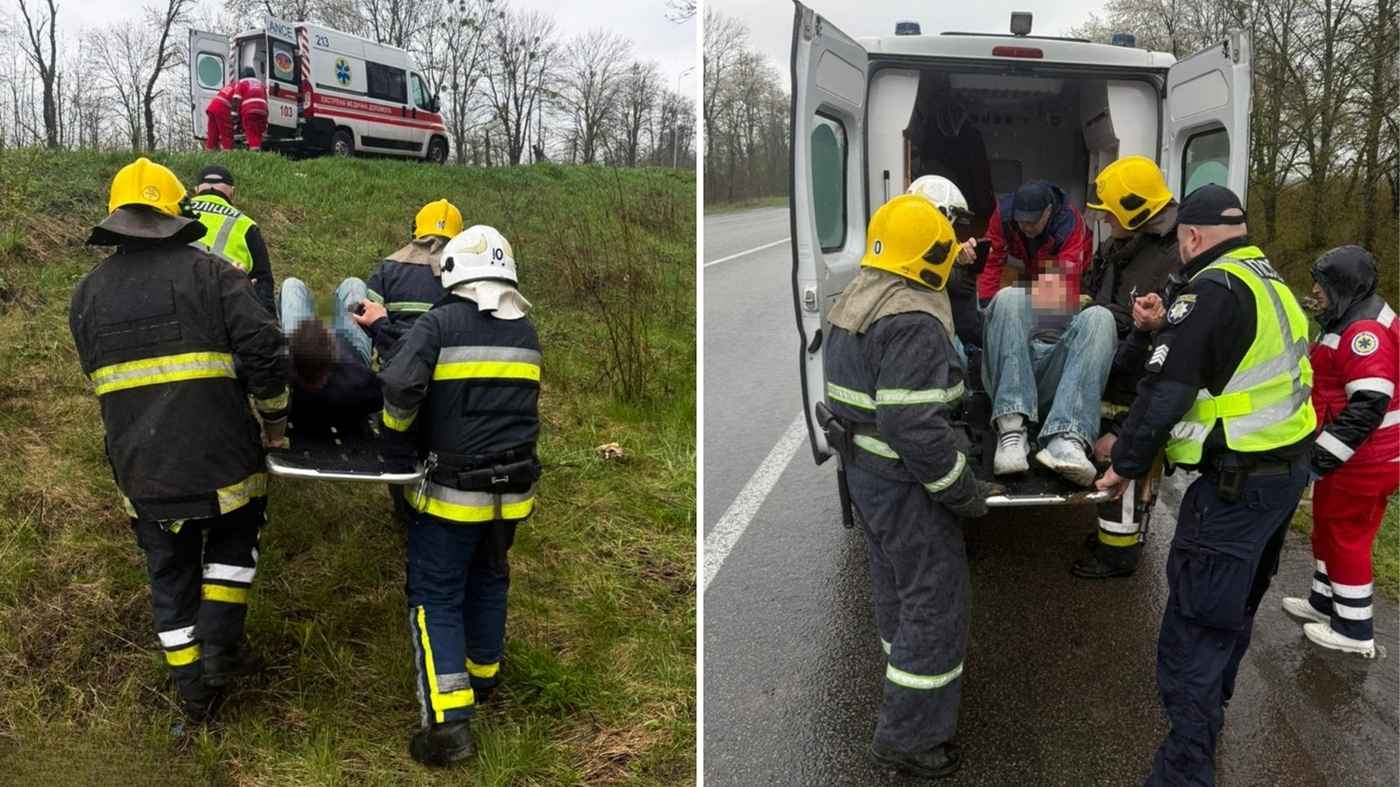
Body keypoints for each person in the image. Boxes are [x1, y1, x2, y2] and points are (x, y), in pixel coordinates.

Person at [1095, 184, 1315, 784]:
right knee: (1231, 614)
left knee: (1193, 631)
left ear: (1191, 236)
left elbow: (1164, 393)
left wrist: (1125, 462)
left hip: (1235, 488)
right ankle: (1209, 715)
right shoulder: (1271, 281)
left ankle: (1184, 770)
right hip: (1281, 478)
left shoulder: (1210, 290)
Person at [68, 158, 289, 728]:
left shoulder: (85, 295)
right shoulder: (214, 274)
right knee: (236, 536)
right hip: (223, 461)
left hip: (141, 470)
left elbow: (98, 375)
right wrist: (275, 423)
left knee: (169, 574)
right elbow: (265, 352)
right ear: (175, 213)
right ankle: (219, 648)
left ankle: (194, 698)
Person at [819, 194, 997, 780]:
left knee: (895, 588)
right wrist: (961, 489)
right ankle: (910, 737)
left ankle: (907, 680)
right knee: (936, 600)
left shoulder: (856, 299)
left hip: (865, 477)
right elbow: (913, 428)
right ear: (932, 255)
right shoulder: (914, 319)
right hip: (904, 484)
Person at [377, 225, 541, 767]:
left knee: (435, 594)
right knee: (490, 575)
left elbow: (400, 385)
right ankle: (483, 675)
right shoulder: (526, 332)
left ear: (453, 272)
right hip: (512, 495)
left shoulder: (439, 323)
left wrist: (395, 440)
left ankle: (448, 723)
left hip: (452, 494)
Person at [1280, 245, 1398, 657]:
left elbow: (1368, 404)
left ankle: (1353, 630)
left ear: (1344, 285)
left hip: (1366, 458)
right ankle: (1324, 602)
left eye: (1322, 283)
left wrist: (1320, 458)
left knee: (1346, 536)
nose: (1315, 289)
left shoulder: (1365, 333)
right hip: (1354, 455)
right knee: (1328, 526)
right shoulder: (1349, 315)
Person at [1072, 156, 1181, 579]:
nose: (1104, 219)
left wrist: (1125, 426)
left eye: (1110, 212)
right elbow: (1091, 290)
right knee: (1112, 458)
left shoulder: (1174, 259)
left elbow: (1171, 348)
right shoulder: (1120, 246)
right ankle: (1111, 538)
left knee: (1124, 456)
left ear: (1135, 211)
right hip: (1114, 376)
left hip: (1139, 387)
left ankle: (1117, 555)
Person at [979, 180, 1109, 486]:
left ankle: (1068, 439)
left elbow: (1061, 286)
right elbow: (991, 260)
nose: (1025, 227)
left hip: (1056, 305)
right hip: (1018, 338)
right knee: (1007, 299)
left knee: (1100, 317)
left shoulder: (1070, 226)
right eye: (1021, 221)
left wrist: (1042, 329)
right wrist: (988, 310)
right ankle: (1011, 429)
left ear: (1049, 212)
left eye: (1032, 222)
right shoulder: (1004, 215)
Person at [351, 199, 463, 367]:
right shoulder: (466, 272)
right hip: (447, 366)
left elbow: (366, 316)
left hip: (395, 364)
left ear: (415, 230)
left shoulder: (389, 267)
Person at [280, 276, 383, 434]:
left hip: (308, 361)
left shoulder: (284, 380)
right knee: (353, 284)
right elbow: (377, 402)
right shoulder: (362, 379)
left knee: (291, 285)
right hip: (352, 353)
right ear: (334, 351)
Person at [189, 164, 276, 315]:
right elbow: (263, 282)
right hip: (230, 309)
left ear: (196, 190)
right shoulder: (246, 224)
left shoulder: (174, 213)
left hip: (180, 302)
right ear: (232, 193)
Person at [232, 67, 269, 151]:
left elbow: (236, 99)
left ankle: (254, 154)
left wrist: (234, 116)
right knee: (258, 134)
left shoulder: (241, 82)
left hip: (249, 111)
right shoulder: (261, 84)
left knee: (251, 133)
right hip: (263, 111)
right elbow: (266, 99)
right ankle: (258, 150)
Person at [204, 79, 237, 151]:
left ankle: (209, 152)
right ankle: (228, 153)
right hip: (222, 108)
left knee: (212, 135)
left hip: (212, 107)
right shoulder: (242, 87)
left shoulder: (231, 85)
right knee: (227, 134)